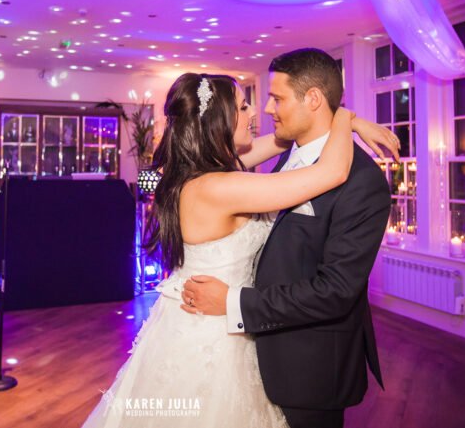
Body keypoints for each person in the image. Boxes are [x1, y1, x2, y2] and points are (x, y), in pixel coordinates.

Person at [81, 68, 397, 427]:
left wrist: (335, 122)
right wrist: (344, 116)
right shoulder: (219, 186)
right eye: (244, 106)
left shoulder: (201, 171)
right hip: (213, 334)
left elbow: (283, 139)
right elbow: (332, 171)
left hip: (208, 323)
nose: (257, 113)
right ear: (220, 120)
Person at [182, 48, 394, 428]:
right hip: (246, 351)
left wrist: (233, 302)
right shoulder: (270, 163)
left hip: (309, 368)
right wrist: (348, 119)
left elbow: (335, 291)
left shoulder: (362, 182)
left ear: (312, 99)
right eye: (249, 105)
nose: (264, 110)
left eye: (276, 98)